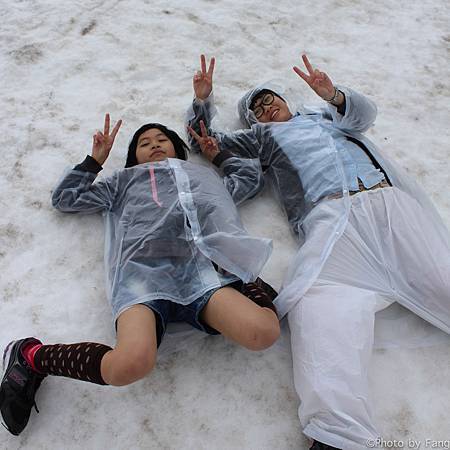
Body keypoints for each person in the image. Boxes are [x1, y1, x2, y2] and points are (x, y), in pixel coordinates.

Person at [187, 54, 450, 450]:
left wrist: (335, 95)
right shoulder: (260, 139)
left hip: (388, 207)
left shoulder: (329, 117)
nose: (266, 107)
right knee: (316, 305)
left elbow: (363, 116)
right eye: (256, 109)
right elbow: (203, 138)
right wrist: (202, 101)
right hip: (330, 221)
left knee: (442, 280)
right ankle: (339, 435)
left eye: (270, 99)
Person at [0, 115, 281, 436]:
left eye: (162, 139)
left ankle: (246, 280)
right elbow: (66, 199)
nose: (154, 145)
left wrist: (216, 155)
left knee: (263, 332)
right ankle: (30, 356)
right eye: (145, 143)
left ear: (177, 148)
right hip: (142, 278)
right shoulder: (123, 181)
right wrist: (94, 161)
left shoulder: (205, 176)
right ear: (135, 156)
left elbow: (248, 177)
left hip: (204, 273)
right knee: (130, 363)